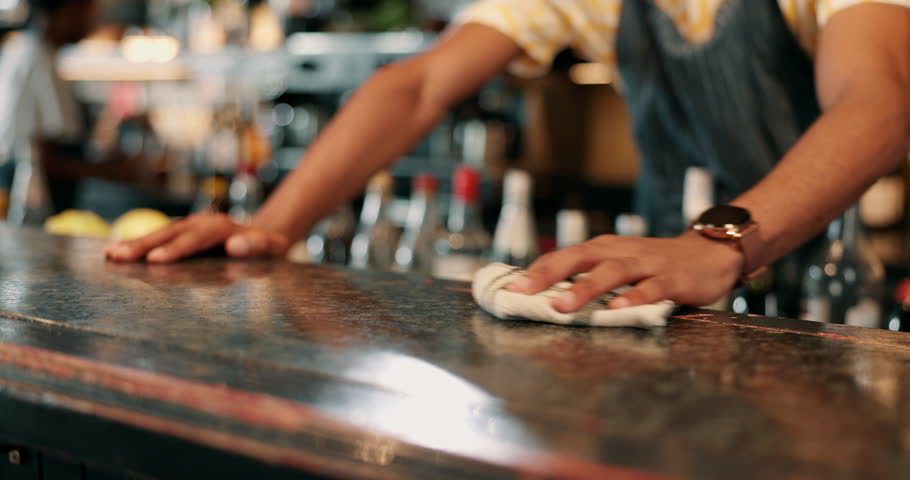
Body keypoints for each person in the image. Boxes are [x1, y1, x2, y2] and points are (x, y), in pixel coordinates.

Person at [107, 0, 910, 314]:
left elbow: (880, 102)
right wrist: (270, 227)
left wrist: (719, 241)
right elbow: (419, 86)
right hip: (681, 285)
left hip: (848, 283)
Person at [0, 0, 143, 213]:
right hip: (31, 207)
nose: (94, 21)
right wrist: (114, 171)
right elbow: (46, 161)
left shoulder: (34, 52)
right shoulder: (34, 58)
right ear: (67, 11)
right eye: (89, 11)